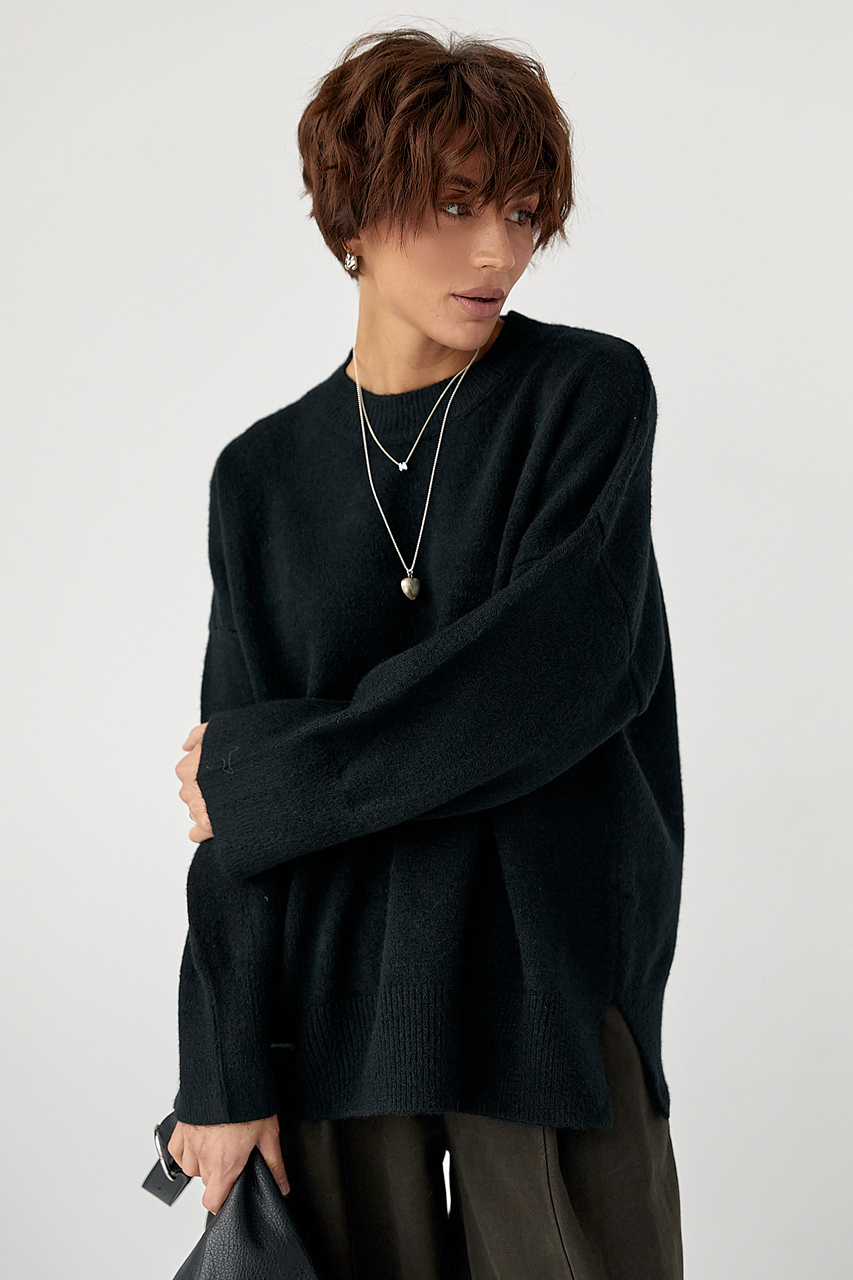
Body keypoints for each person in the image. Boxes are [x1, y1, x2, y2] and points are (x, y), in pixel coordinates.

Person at [167, 26, 684, 1280]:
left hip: (549, 982)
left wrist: (271, 775)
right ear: (354, 211)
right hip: (332, 998)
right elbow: (233, 835)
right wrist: (220, 1070)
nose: (499, 249)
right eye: (455, 204)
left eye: (521, 210)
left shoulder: (585, 394)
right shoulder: (261, 476)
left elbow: (550, 681)